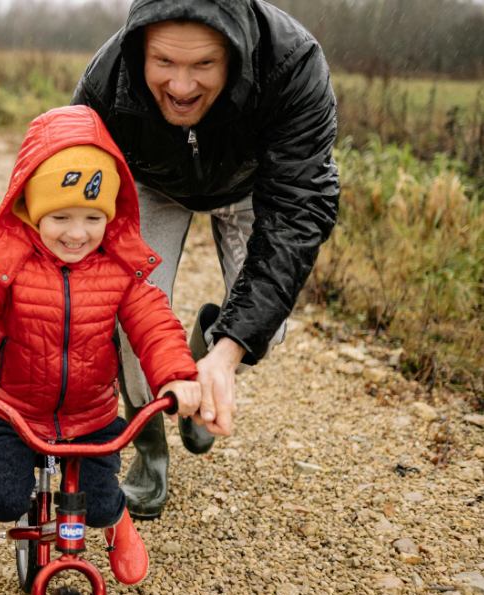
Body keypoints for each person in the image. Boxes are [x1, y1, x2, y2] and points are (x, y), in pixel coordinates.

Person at [71, 0, 340, 518]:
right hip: (152, 183)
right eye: (164, 62)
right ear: (139, 50)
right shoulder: (107, 82)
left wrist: (229, 351)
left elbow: (299, 211)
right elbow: (69, 190)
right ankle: (148, 448)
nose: (180, 86)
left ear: (235, 54)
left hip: (249, 185)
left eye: (203, 65)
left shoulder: (293, 65)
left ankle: (204, 363)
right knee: (128, 321)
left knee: (265, 329)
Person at [0, 106, 201, 585]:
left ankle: (117, 522)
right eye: (60, 217)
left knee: (101, 502)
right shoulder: (9, 258)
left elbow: (154, 321)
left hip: (91, 413)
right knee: (3, 495)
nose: (77, 234)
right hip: (14, 409)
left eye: (93, 217)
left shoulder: (118, 267)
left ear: (110, 214)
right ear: (33, 209)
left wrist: (177, 376)